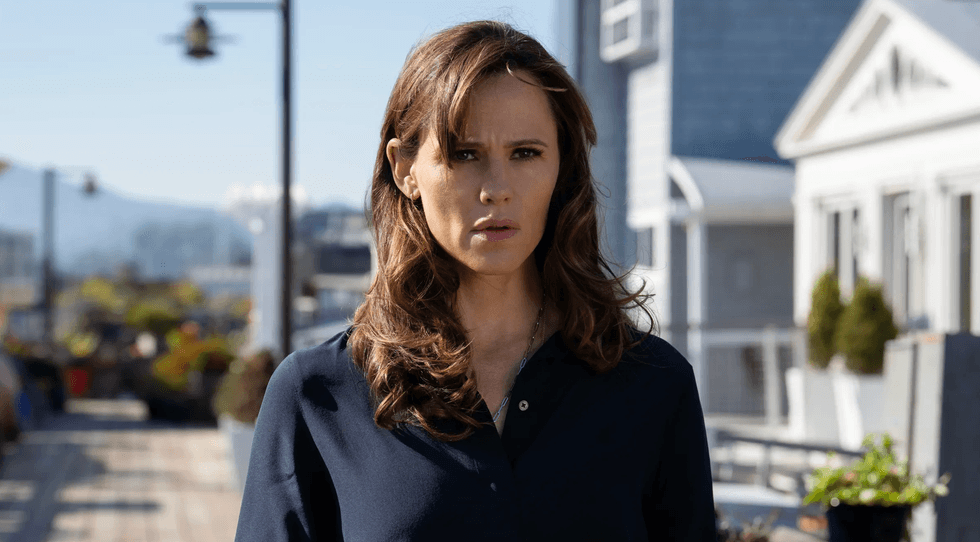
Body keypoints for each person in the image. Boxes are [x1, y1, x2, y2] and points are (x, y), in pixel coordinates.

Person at [235, 20, 716, 541]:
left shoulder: (653, 385)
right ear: (405, 170)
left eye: (526, 153)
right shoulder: (318, 394)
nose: (497, 189)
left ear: (563, 167)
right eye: (465, 154)